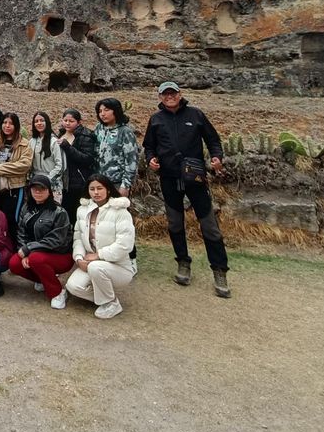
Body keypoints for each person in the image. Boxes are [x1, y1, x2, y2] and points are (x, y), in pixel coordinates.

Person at [142, 81, 231, 298]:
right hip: (169, 178)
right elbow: (149, 146)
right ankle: (183, 263)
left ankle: (219, 271)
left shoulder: (196, 114)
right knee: (174, 223)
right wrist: (151, 160)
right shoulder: (156, 119)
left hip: (196, 177)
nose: (170, 96)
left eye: (173, 93)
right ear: (160, 97)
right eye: (166, 94)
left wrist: (217, 157)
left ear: (180, 94)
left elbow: (213, 140)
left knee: (209, 225)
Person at [65, 174, 136, 318]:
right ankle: (107, 297)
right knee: (73, 286)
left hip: (119, 266)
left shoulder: (120, 211)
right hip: (91, 262)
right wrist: (79, 258)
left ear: (108, 189)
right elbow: (78, 237)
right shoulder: (82, 210)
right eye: (92, 189)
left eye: (100, 188)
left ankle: (111, 303)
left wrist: (98, 255)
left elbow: (125, 245)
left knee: (95, 267)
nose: (96, 192)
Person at [8, 174, 73, 308]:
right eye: (34, 189)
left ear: (49, 191)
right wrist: (24, 251)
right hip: (33, 253)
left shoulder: (59, 212)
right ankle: (43, 279)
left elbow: (56, 240)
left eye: (42, 189)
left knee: (36, 259)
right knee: (14, 263)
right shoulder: (26, 207)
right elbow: (21, 231)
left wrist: (29, 249)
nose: (37, 192)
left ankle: (58, 292)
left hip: (60, 254)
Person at [95, 97, 140, 270]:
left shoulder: (125, 131)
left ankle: (131, 259)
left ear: (116, 111)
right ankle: (106, 256)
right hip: (100, 183)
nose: (103, 114)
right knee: (103, 223)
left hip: (117, 183)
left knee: (122, 223)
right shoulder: (99, 129)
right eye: (100, 111)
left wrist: (125, 184)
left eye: (106, 110)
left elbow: (131, 160)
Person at [0, 112, 33, 239]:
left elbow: (25, 165)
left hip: (14, 187)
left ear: (16, 126)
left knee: (11, 219)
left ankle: (12, 249)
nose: (7, 126)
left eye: (11, 123)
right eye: (5, 123)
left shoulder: (24, 144)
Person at [57, 109, 97, 225]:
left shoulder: (86, 135)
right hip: (65, 181)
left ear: (78, 122)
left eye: (71, 121)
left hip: (79, 181)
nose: (67, 123)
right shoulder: (61, 134)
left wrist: (68, 147)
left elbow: (87, 159)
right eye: (65, 120)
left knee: (78, 215)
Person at [29, 111, 65, 204]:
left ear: (47, 122)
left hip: (52, 183)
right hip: (35, 182)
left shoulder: (55, 142)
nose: (39, 123)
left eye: (42, 120)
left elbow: (60, 166)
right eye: (36, 121)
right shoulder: (31, 142)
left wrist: (47, 180)